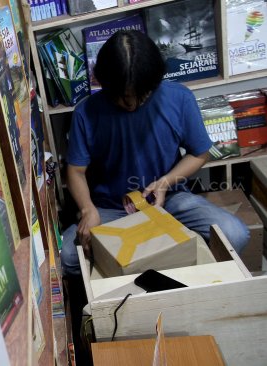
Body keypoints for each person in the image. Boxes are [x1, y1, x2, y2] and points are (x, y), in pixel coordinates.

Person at [60, 30, 249, 276]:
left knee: (235, 234)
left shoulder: (179, 98)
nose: (133, 104)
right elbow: (75, 170)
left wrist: (164, 184)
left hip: (169, 200)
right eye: (123, 97)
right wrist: (88, 209)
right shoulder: (87, 113)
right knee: (66, 258)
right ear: (105, 84)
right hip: (112, 209)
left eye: (141, 95)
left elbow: (200, 153)